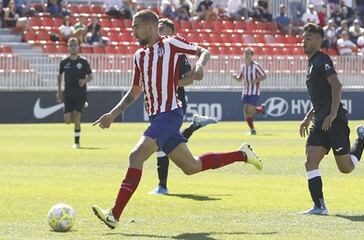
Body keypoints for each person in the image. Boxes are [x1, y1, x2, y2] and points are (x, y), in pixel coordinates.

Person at [91, 10, 263, 229]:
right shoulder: (139, 56)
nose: (132, 31)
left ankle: (114, 214)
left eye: (136, 27)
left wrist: (199, 65)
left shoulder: (171, 44)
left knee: (136, 156)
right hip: (157, 119)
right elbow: (135, 91)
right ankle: (243, 154)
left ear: (151, 27)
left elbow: (204, 51)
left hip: (170, 114)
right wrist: (112, 114)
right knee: (192, 166)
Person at [299, 23, 364, 215]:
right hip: (320, 120)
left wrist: (334, 113)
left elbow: (336, 86)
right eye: (303, 37)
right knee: (310, 161)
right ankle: (319, 207)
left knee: (346, 168)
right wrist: (307, 117)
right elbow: (321, 98)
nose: (304, 41)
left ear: (319, 41)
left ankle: (361, 137)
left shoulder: (322, 60)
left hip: (333, 120)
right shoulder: (311, 64)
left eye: (309, 38)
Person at [149, 18, 218, 195]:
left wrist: (169, 85)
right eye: (157, 28)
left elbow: (189, 78)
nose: (159, 31)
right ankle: (195, 126)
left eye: (162, 28)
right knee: (169, 142)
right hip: (158, 103)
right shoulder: (151, 52)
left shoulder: (178, 52)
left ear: (171, 32)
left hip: (174, 103)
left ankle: (162, 186)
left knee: (162, 143)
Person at [56, 37, 93, 149]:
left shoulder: (83, 61)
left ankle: (76, 142)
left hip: (80, 93)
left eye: (74, 45)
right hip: (68, 93)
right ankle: (76, 115)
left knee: (77, 117)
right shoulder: (64, 62)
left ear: (78, 47)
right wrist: (58, 90)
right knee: (67, 120)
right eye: (70, 45)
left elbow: (90, 76)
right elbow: (59, 75)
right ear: (67, 47)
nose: (72, 47)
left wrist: (84, 81)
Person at [232, 48, 266, 135]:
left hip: (254, 91)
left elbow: (264, 75)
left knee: (249, 110)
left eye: (249, 54)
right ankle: (253, 130)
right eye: (246, 53)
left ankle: (260, 109)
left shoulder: (256, 66)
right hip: (246, 91)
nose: (247, 55)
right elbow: (240, 79)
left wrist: (256, 80)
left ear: (252, 56)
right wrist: (235, 77)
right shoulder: (243, 67)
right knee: (246, 111)